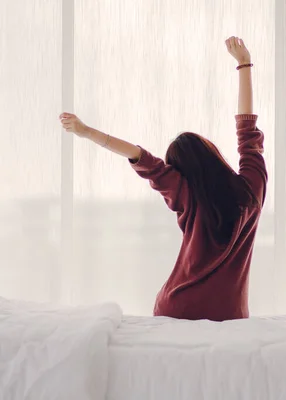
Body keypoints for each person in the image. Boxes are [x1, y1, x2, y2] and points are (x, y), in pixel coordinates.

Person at [59, 37, 267, 322]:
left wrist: (87, 132)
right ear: (213, 154)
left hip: (177, 310)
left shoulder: (185, 192)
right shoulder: (252, 189)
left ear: (181, 170)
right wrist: (244, 64)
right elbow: (247, 131)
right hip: (230, 315)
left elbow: (140, 156)